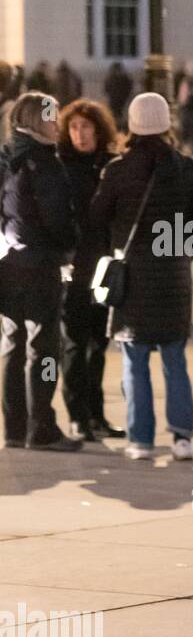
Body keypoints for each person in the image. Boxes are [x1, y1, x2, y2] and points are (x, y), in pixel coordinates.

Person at [88, 92, 193, 460]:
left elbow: (97, 218)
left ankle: (140, 439)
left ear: (132, 124)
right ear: (167, 123)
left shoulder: (118, 170)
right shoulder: (185, 168)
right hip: (174, 278)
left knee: (134, 360)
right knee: (175, 361)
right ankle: (182, 438)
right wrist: (182, 253)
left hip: (133, 281)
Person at [0, 92, 81, 451]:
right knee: (45, 349)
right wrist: (70, 246)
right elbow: (57, 219)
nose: (58, 123)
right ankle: (42, 426)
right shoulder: (45, 163)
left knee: (12, 346)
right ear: (37, 121)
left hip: (7, 263)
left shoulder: (7, 159)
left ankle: (14, 428)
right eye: (53, 117)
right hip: (39, 265)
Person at [57, 98, 124, 442]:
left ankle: (96, 414)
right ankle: (77, 416)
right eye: (74, 128)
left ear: (99, 130)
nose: (80, 134)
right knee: (74, 344)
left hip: (105, 266)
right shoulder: (61, 167)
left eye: (86, 127)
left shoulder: (111, 166)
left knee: (98, 343)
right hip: (74, 268)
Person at [104, 61, 133, 131]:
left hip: (117, 99)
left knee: (116, 114)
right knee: (117, 114)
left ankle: (116, 127)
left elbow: (106, 88)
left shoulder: (111, 77)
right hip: (119, 99)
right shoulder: (123, 77)